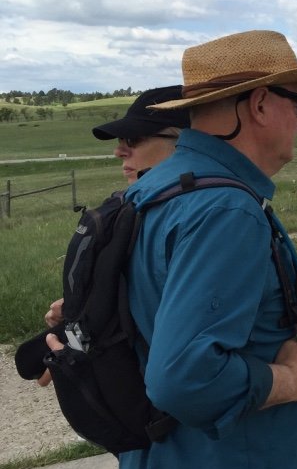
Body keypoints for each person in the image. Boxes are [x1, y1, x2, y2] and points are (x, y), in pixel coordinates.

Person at [46, 30, 297, 469]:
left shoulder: (153, 191)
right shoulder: (224, 211)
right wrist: (295, 380)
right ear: (258, 103)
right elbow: (183, 376)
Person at [41, 86, 190, 333]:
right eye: (121, 141)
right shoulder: (140, 212)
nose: (119, 151)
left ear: (184, 141)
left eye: (133, 139)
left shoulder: (194, 218)